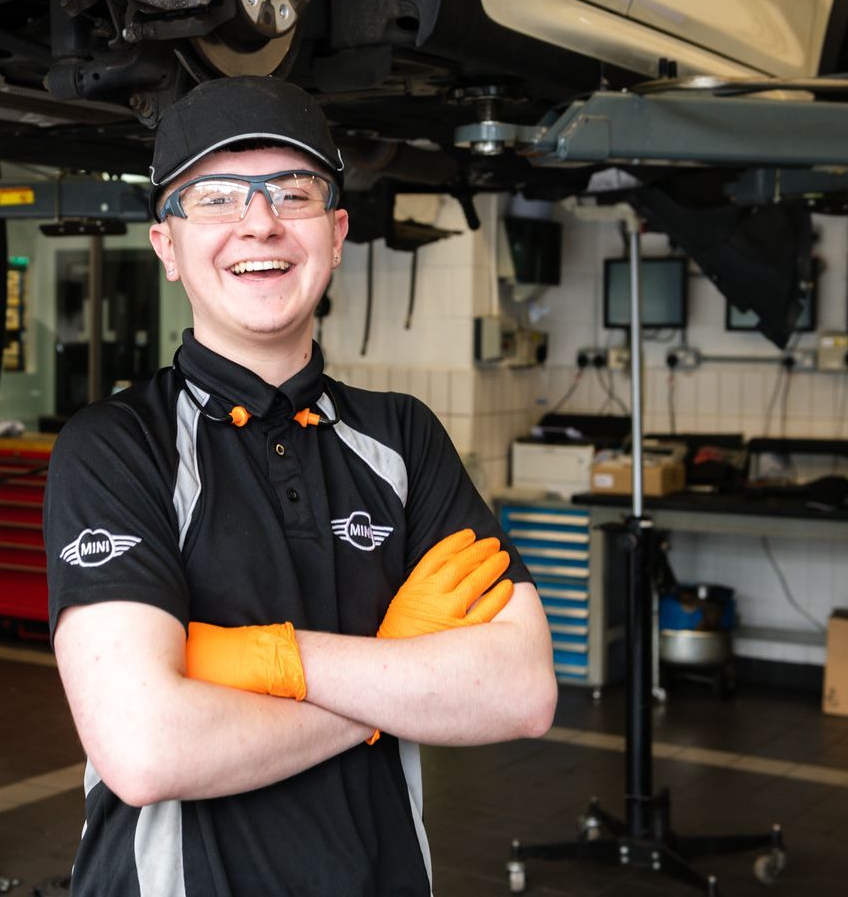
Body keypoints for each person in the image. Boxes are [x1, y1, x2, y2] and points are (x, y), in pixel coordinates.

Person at [44, 75, 556, 896]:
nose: (260, 222)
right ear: (167, 247)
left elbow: (521, 690)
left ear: (337, 232)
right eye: (214, 198)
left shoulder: (403, 438)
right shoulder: (117, 446)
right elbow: (145, 749)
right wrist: (394, 676)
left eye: (294, 192)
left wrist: (260, 660)